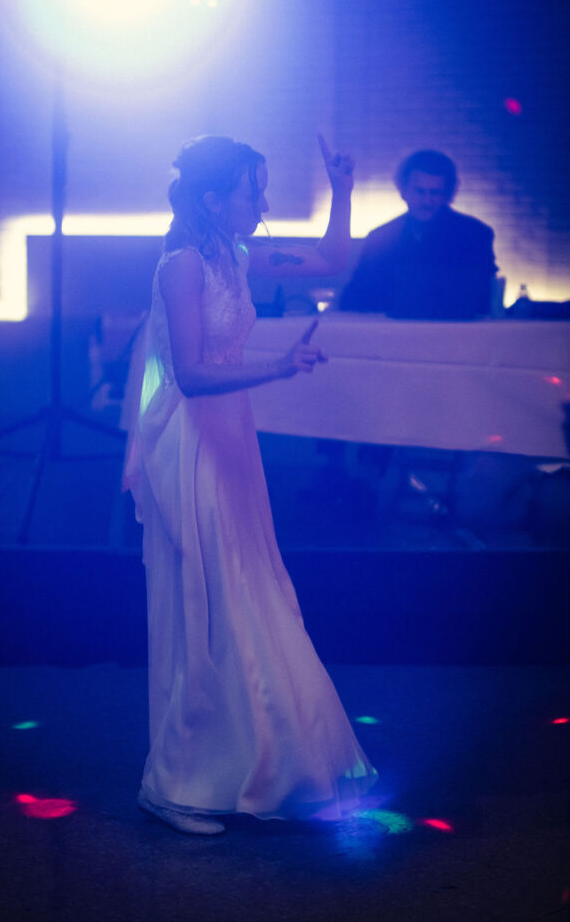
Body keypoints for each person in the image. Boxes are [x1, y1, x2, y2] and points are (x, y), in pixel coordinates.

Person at [124, 135, 377, 835]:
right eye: (250, 192)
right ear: (212, 200)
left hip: (234, 439)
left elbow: (331, 261)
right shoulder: (181, 267)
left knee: (253, 594)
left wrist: (342, 187)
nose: (261, 204)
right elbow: (191, 376)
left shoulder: (235, 257)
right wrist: (279, 368)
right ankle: (175, 783)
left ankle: (256, 766)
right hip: (193, 442)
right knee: (212, 603)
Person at [339, 149, 497, 319]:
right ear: (403, 191)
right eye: (420, 192)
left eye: (435, 193)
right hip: (392, 336)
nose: (427, 201)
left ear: (447, 194)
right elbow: (353, 297)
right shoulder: (379, 238)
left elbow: (481, 299)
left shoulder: (475, 235)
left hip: (455, 337)